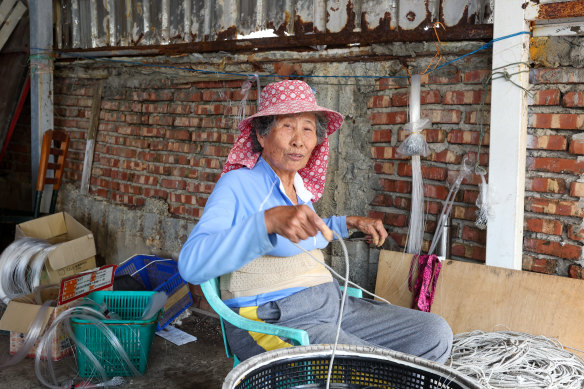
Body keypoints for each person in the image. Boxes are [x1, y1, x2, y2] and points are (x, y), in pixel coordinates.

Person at [178, 79, 452, 363]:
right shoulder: (238, 185)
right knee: (365, 365)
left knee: (434, 334)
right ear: (261, 135)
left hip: (331, 304)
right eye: (287, 126)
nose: (299, 140)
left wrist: (349, 223)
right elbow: (191, 265)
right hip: (274, 318)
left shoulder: (298, 188)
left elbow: (310, 235)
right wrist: (266, 223)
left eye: (307, 128)